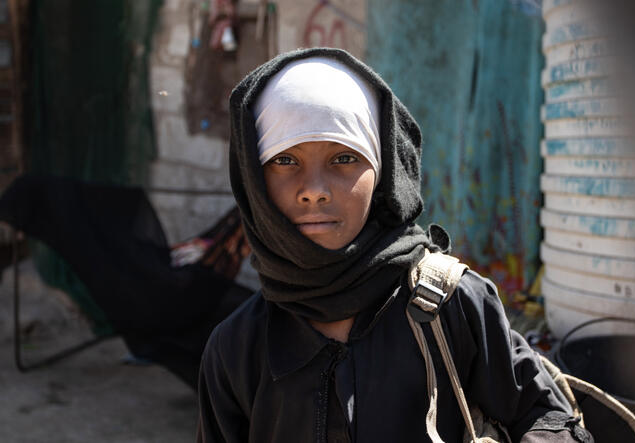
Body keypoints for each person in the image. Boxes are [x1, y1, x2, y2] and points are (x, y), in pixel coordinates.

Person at [196, 48, 592, 442]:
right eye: (284, 161)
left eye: (344, 157)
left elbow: (546, 417)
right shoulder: (236, 349)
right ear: (253, 178)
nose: (314, 191)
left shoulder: (454, 306)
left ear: (383, 169)